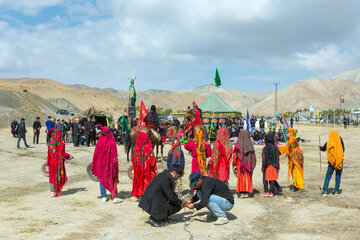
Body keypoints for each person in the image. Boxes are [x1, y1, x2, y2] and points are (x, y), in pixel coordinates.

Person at [91, 126, 122, 203]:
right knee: (112, 178)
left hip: (101, 165)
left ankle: (103, 196)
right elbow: (114, 154)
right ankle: (114, 196)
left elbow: (96, 155)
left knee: (102, 178)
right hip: (110, 164)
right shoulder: (111, 142)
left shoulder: (99, 142)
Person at [47, 129, 73, 197]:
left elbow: (49, 155)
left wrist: (48, 163)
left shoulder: (50, 144)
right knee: (59, 175)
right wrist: (70, 156)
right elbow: (62, 154)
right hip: (59, 163)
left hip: (51, 162)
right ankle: (57, 190)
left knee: (52, 176)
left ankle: (52, 191)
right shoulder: (61, 144)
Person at [131, 132, 158, 198]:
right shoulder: (148, 147)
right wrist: (155, 168)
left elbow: (133, 159)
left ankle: (140, 193)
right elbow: (152, 159)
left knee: (139, 181)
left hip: (138, 169)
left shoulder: (136, 148)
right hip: (147, 168)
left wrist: (136, 166)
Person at [278, 128, 305, 193]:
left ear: (292, 134)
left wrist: (278, 149)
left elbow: (287, 149)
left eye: (288, 133)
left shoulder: (293, 140)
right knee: (293, 172)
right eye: (286, 133)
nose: (286, 134)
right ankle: (296, 186)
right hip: (292, 159)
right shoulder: (290, 140)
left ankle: (301, 188)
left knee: (297, 172)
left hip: (296, 159)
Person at [319, 130, 345, 196]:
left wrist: (320, 147)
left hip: (331, 163)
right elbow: (343, 150)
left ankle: (325, 191)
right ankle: (336, 191)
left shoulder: (329, 143)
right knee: (338, 176)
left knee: (328, 176)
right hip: (339, 162)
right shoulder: (340, 143)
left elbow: (323, 149)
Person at [233, 130, 256, 197]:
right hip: (248, 163)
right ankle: (250, 191)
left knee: (240, 176)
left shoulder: (238, 144)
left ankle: (240, 190)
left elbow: (235, 155)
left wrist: (234, 163)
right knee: (248, 176)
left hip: (239, 163)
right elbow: (253, 157)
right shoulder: (250, 144)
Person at [261, 133, 281, 197]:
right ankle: (272, 192)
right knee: (272, 178)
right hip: (275, 165)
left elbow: (264, 157)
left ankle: (266, 191)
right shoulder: (275, 147)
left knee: (265, 178)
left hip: (267, 165)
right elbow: (279, 154)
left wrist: (264, 166)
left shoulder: (265, 148)